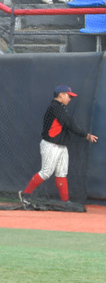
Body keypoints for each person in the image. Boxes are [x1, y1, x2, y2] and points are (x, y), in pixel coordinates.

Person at [18, 84, 97, 212]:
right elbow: (69, 124)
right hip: (51, 144)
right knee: (46, 172)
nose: (70, 99)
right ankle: (25, 194)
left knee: (61, 173)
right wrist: (86, 135)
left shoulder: (60, 108)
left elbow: (67, 124)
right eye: (68, 96)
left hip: (61, 145)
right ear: (61, 95)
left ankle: (65, 202)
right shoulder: (55, 107)